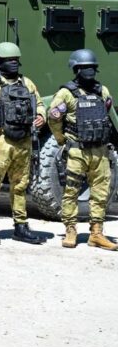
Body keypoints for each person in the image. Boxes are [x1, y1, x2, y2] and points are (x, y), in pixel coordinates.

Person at [48, 49, 116, 250]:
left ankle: (96, 233)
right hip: (77, 151)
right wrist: (62, 140)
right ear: (76, 69)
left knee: (101, 193)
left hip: (100, 151)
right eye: (85, 67)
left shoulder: (102, 91)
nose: (89, 71)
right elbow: (54, 118)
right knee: (71, 191)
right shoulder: (66, 93)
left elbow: (106, 114)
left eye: (92, 67)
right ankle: (70, 229)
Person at [0, 42, 46, 245]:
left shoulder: (27, 83)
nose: (13, 63)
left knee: (20, 186)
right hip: (1, 142)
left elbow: (39, 104)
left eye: (16, 60)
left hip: (24, 142)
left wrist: (41, 116)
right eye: (8, 60)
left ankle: (21, 227)